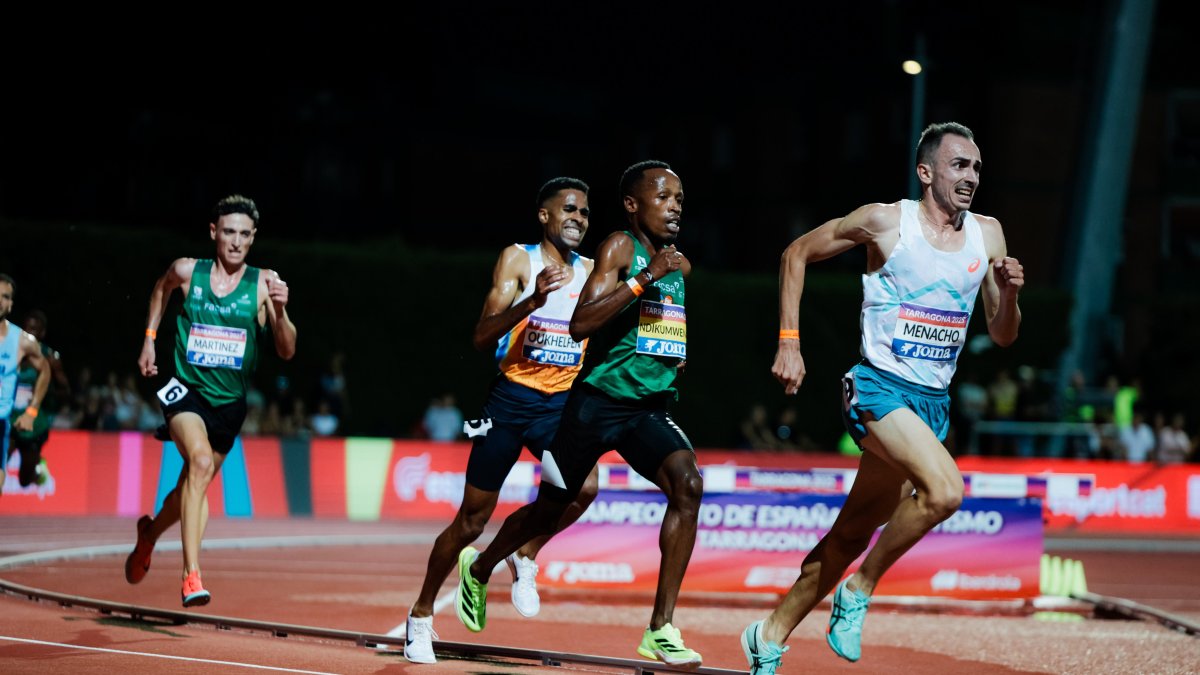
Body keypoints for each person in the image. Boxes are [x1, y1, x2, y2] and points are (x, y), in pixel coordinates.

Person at [743, 122, 1024, 672]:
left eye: (976, 168)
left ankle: (768, 634)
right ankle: (859, 590)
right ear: (926, 172)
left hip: (931, 403)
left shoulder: (988, 235)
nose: (971, 176)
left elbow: (1004, 332)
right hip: (875, 387)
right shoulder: (886, 221)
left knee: (850, 533)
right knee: (944, 491)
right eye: (958, 165)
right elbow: (795, 254)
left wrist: (1010, 294)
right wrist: (789, 343)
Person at [452, 161, 704, 666]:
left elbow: (658, 331)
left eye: (680, 197)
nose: (675, 205)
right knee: (552, 506)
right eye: (663, 197)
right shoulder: (618, 248)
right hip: (595, 405)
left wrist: (671, 354)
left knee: (688, 485)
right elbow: (580, 325)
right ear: (633, 206)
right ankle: (480, 571)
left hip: (645, 408)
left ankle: (661, 628)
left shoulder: (681, 265)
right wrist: (641, 282)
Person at [404, 177, 600, 664]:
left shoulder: (594, 271)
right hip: (509, 401)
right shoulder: (518, 259)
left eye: (585, 213)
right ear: (544, 216)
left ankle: (524, 553)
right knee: (470, 521)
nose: (578, 218)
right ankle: (421, 617)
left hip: (558, 405)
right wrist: (531, 301)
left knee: (585, 487)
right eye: (569, 209)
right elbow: (480, 336)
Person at [123, 194, 297, 608]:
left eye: (244, 235)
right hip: (183, 390)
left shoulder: (263, 284)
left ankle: (148, 534)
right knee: (199, 464)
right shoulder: (187, 271)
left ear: (253, 238)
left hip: (229, 405)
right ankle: (191, 575)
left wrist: (281, 311)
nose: (236, 242)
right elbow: (159, 291)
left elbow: (287, 350)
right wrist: (149, 340)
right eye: (229, 232)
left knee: (189, 488)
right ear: (214, 232)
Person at [0, 276, 51, 495]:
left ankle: (39, 469)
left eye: (5, 297)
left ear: (10, 304)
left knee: (21, 479)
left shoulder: (21, 340)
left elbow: (45, 370)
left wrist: (32, 410)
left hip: (5, 422)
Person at [7, 310, 69, 489]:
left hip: (35, 424)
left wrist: (45, 394)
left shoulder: (50, 359)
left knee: (24, 481)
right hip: (10, 419)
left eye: (34, 330)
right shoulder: (11, 350)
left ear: (42, 333)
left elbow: (65, 392)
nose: (29, 334)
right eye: (26, 329)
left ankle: (39, 470)